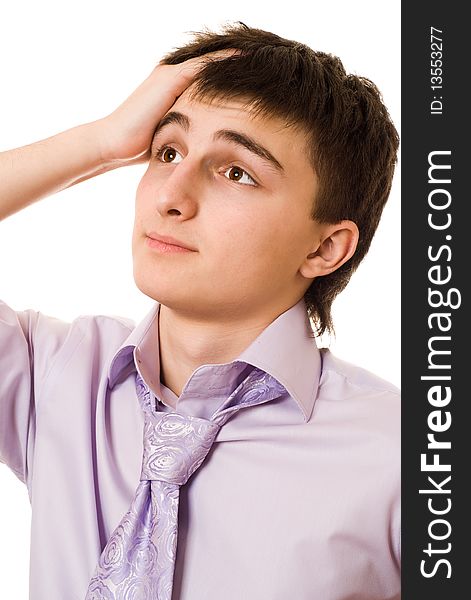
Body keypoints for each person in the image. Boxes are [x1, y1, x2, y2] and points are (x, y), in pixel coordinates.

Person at [0, 22, 400, 600]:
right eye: (167, 152)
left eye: (235, 172)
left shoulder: (402, 455)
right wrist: (103, 141)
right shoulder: (56, 375)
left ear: (324, 247)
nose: (170, 196)